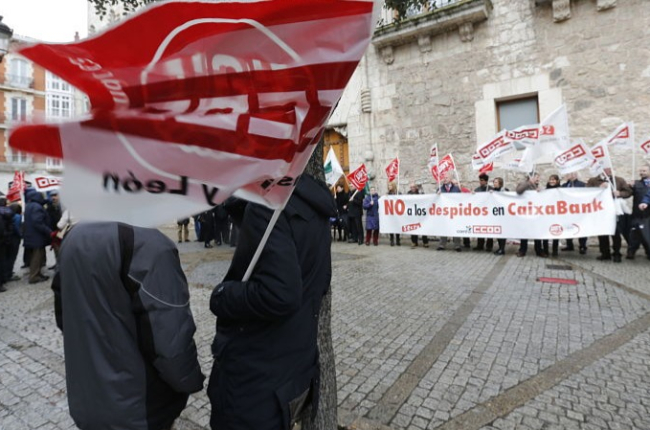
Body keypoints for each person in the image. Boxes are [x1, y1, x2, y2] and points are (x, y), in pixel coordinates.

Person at [208, 174, 336, 430]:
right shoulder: (310, 201)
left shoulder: (269, 207)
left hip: (257, 378)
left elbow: (280, 293)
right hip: (293, 367)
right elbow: (320, 282)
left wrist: (222, 296)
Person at [51, 222, 204, 430]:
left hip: (87, 397)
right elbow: (171, 340)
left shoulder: (73, 236)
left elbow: (64, 316)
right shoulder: (149, 244)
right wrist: (189, 381)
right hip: (139, 405)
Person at [587, 168, 632, 262]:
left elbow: (628, 192)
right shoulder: (593, 180)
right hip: (600, 210)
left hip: (614, 211)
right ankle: (605, 253)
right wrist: (599, 188)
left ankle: (616, 253)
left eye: (610, 169)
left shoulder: (619, 180)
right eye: (606, 169)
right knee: (602, 233)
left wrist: (620, 193)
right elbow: (586, 193)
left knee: (616, 233)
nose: (609, 171)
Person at [24, 189, 52, 283]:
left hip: (31, 236)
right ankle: (34, 276)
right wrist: (49, 231)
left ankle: (37, 274)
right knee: (37, 257)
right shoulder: (37, 207)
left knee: (36, 256)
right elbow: (38, 222)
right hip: (37, 236)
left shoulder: (30, 205)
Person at [516, 173, 544, 257]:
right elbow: (518, 191)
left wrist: (539, 191)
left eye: (538, 176)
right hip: (525, 212)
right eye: (536, 176)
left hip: (535, 212)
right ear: (530, 177)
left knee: (537, 232)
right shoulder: (524, 184)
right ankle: (522, 250)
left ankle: (539, 250)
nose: (538, 178)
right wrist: (529, 183)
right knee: (525, 232)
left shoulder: (537, 186)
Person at [561, 172, 588, 254]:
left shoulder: (583, 185)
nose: (567, 175)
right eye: (567, 174)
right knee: (568, 227)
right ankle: (569, 245)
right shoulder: (564, 185)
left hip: (579, 210)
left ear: (575, 175)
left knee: (581, 228)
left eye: (569, 174)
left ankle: (582, 246)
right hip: (568, 211)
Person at [627, 164, 650, 260]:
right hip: (638, 213)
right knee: (635, 234)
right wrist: (628, 186)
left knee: (647, 234)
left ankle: (648, 252)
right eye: (641, 171)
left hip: (649, 214)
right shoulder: (635, 184)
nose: (642, 173)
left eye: (644, 171)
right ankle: (631, 251)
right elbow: (627, 193)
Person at [437, 171, 462, 252]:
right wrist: (437, 195)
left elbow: (461, 199)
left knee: (455, 228)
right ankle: (442, 244)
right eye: (444, 178)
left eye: (446, 177)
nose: (445, 179)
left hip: (454, 212)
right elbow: (435, 200)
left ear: (451, 179)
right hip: (444, 213)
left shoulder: (456, 189)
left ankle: (457, 245)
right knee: (443, 228)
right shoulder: (440, 189)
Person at [542, 174, 561, 257]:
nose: (552, 181)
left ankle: (555, 250)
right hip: (547, 214)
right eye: (550, 179)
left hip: (556, 214)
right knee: (545, 233)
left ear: (557, 181)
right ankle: (545, 250)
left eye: (554, 180)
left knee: (556, 232)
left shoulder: (560, 190)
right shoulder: (545, 190)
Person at [473, 173, 493, 251]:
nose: (480, 182)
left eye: (482, 180)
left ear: (486, 181)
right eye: (480, 180)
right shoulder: (477, 190)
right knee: (480, 229)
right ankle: (480, 245)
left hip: (489, 212)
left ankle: (489, 246)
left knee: (489, 229)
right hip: (480, 212)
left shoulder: (490, 189)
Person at [407, 182, 429, 248]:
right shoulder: (408, 193)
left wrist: (421, 191)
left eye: (413, 187)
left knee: (423, 227)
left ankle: (425, 242)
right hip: (413, 213)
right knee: (413, 228)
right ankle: (414, 242)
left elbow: (424, 198)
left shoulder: (420, 192)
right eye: (411, 187)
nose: (412, 188)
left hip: (420, 212)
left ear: (416, 187)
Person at [492, 177, 509, 255]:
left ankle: (502, 249)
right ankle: (500, 248)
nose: (494, 183)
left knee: (502, 233)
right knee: (498, 233)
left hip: (503, 215)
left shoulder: (505, 190)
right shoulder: (493, 191)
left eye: (496, 182)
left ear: (500, 183)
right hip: (496, 215)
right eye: (494, 182)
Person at [387, 182, 401, 246]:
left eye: (390, 185)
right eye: (388, 185)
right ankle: (392, 239)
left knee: (397, 226)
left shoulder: (398, 193)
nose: (389, 186)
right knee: (391, 226)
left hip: (397, 212)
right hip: (390, 212)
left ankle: (398, 239)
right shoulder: (388, 194)